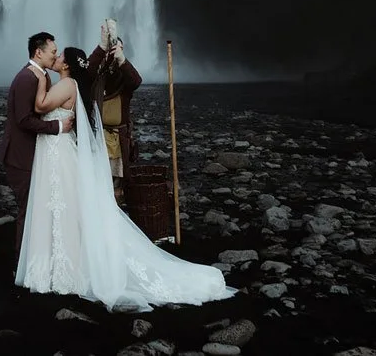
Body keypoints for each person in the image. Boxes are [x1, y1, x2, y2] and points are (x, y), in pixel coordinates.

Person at [14, 46, 236, 312]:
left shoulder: (67, 83)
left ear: (67, 65)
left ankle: (65, 264)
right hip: (59, 152)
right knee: (68, 206)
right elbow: (86, 68)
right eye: (54, 51)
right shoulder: (75, 82)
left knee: (69, 206)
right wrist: (101, 48)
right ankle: (65, 261)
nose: (56, 56)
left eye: (60, 55)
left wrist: (40, 76)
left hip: (65, 151)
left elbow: (41, 105)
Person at [0, 32, 75, 275]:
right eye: (53, 52)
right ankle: (22, 267)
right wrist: (57, 127)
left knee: (36, 209)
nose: (55, 56)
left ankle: (37, 262)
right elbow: (23, 119)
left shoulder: (40, 76)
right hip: (21, 156)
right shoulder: (27, 78)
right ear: (38, 52)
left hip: (35, 155)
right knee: (27, 211)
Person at [88, 20, 142, 203]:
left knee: (118, 181)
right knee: (97, 178)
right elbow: (86, 72)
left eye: (116, 48)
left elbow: (136, 81)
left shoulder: (125, 77)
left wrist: (121, 58)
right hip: (98, 135)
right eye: (110, 49)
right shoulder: (98, 74)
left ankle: (116, 208)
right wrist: (101, 48)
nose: (112, 52)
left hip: (118, 137)